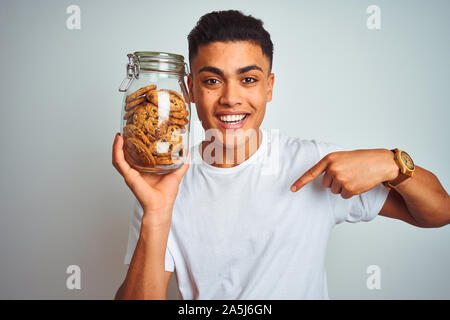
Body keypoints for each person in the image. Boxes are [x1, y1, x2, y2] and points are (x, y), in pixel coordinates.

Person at [112, 10, 449, 299]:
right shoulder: (165, 181)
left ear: (269, 87)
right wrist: (155, 212)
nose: (231, 98)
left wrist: (393, 163)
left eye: (248, 79)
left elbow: (438, 212)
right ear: (189, 90)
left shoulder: (316, 164)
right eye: (212, 80)